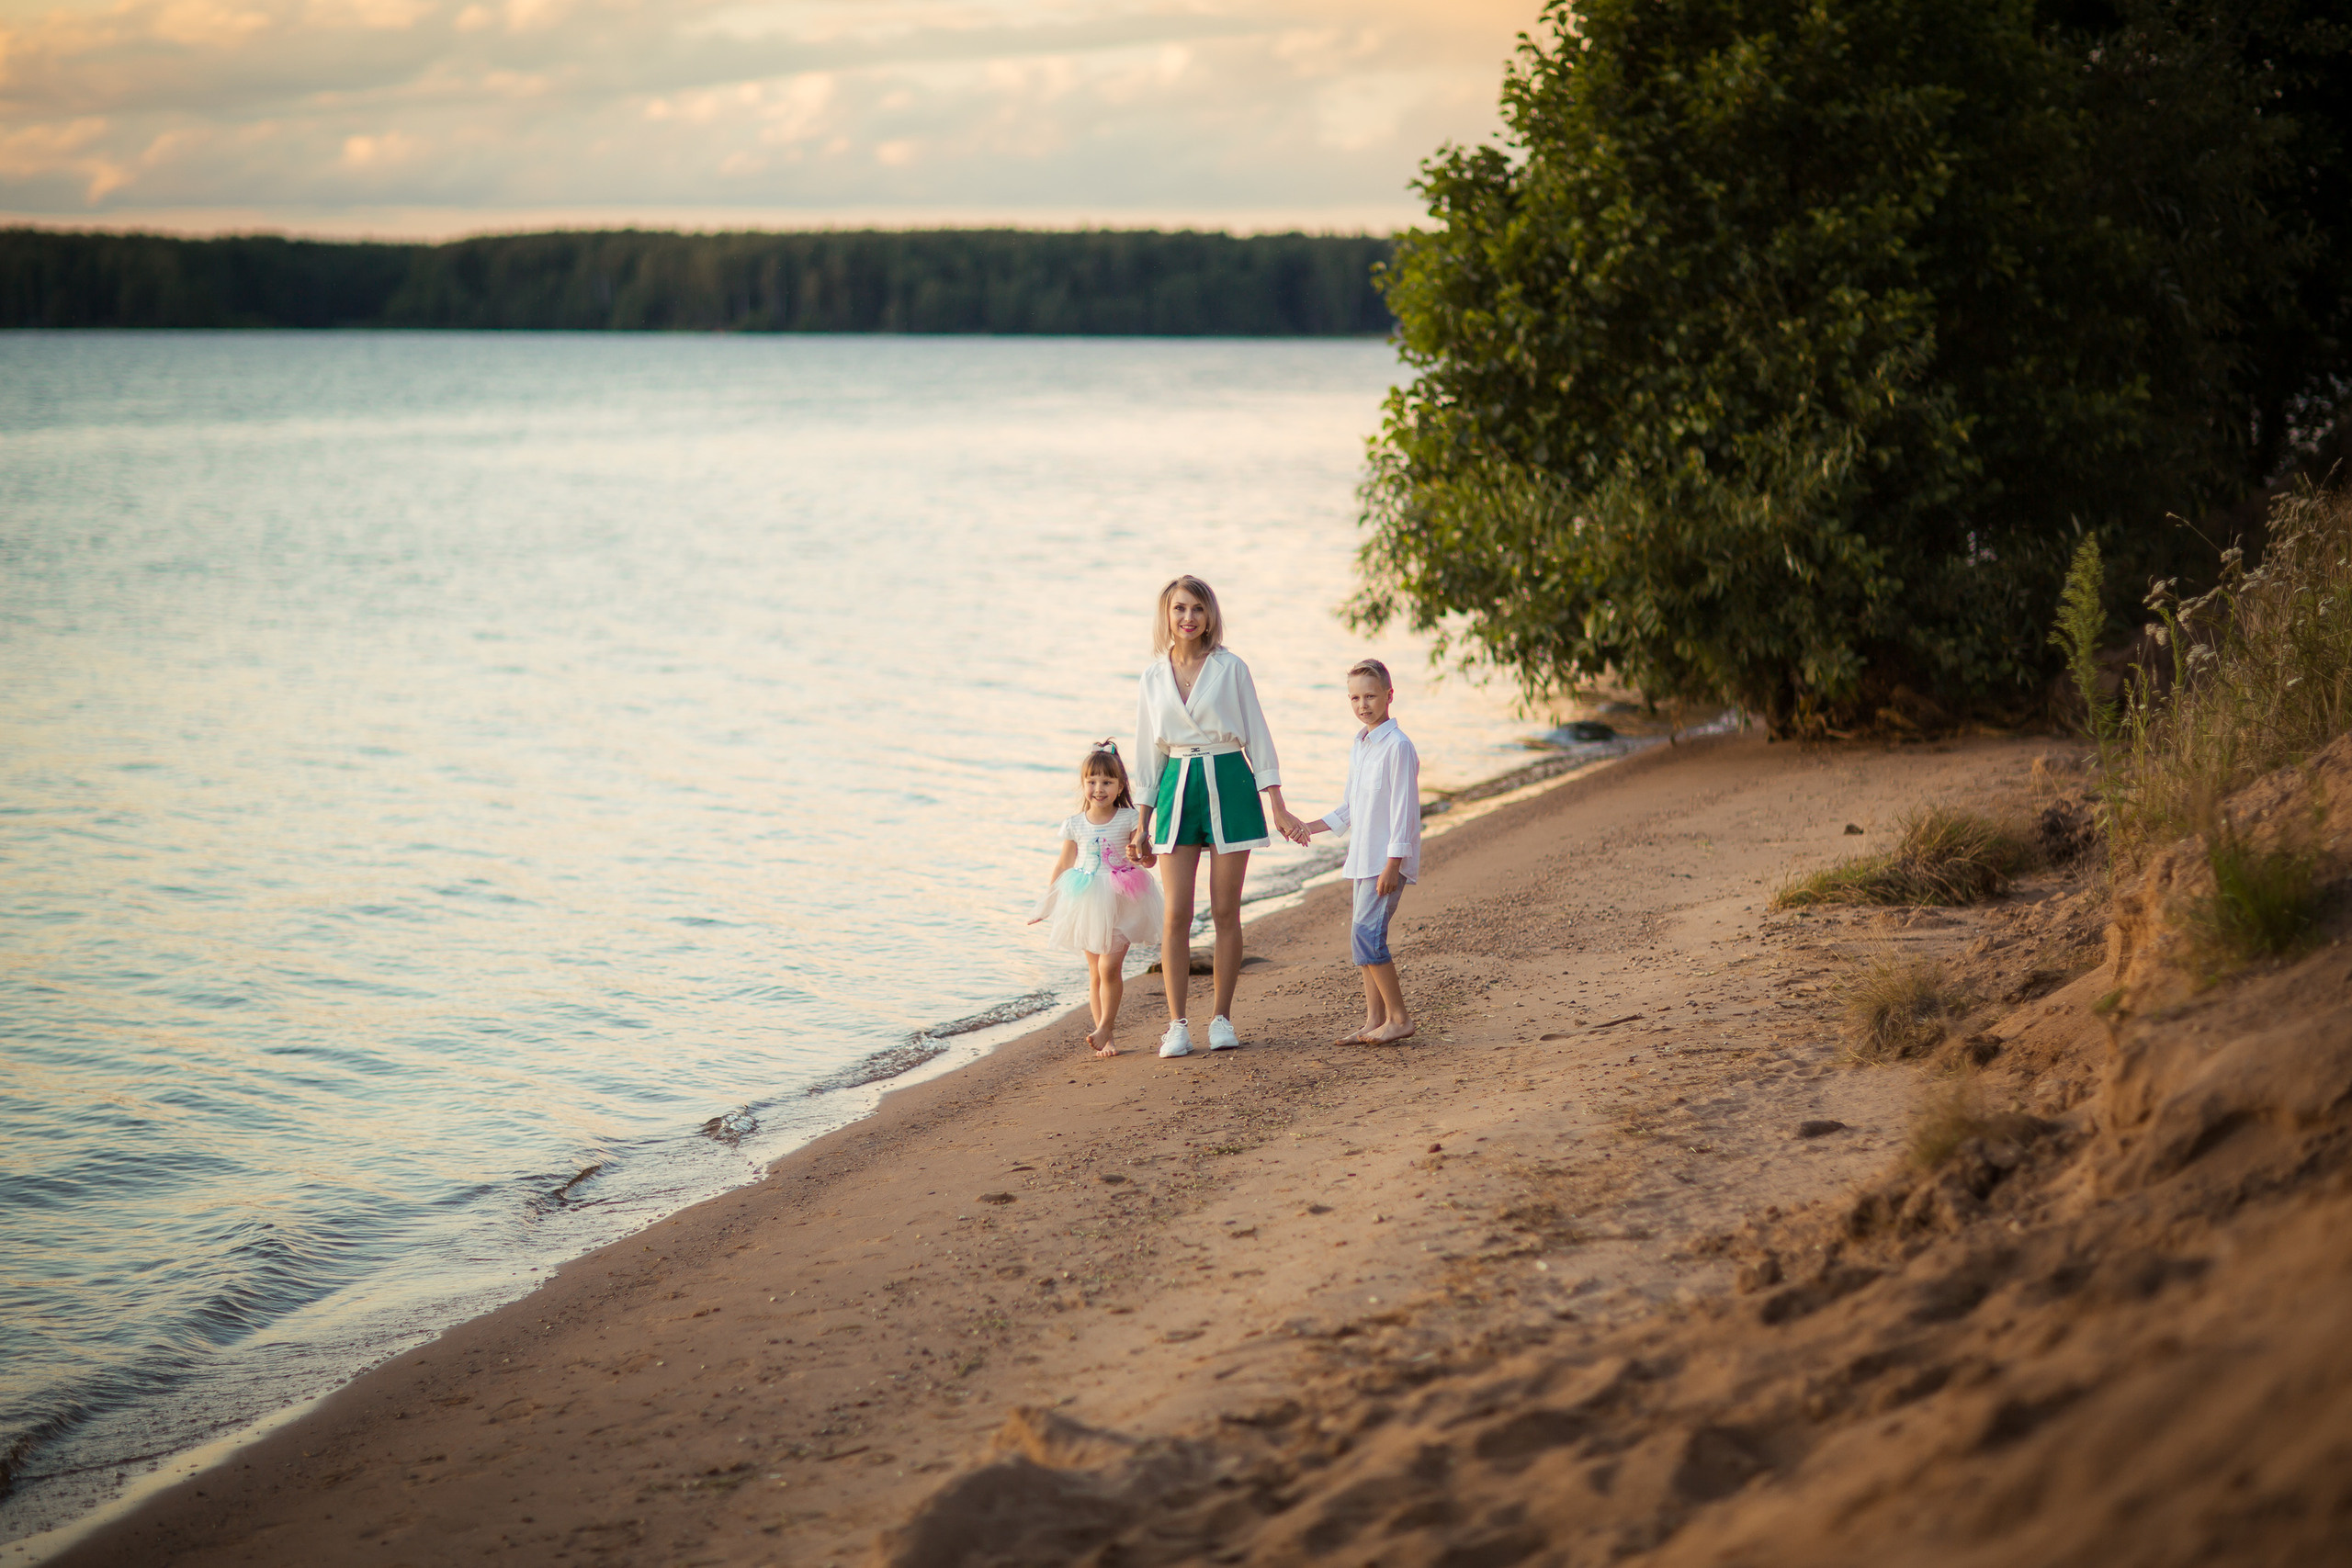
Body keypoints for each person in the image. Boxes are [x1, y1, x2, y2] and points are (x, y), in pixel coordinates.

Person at [1128, 575, 1306, 1059]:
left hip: (1229, 780)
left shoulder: (1231, 668)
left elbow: (1259, 735)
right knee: (1176, 914)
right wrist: (1140, 822)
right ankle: (1177, 1026)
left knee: (1226, 909)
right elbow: (1148, 752)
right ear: (1167, 615)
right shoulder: (1151, 676)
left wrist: (1278, 802)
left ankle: (1222, 1019)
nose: (1188, 618)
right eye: (1180, 609)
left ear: (1210, 616)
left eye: (1197, 609)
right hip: (1176, 787)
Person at [1296, 658, 1420, 1044]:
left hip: (1385, 862)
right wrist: (1310, 827)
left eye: (1370, 696)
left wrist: (1393, 864)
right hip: (1362, 858)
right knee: (1361, 938)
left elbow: (1404, 811)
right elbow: (1352, 805)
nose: (1362, 705)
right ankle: (1374, 1020)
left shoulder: (1397, 747)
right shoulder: (1361, 744)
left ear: (1389, 695)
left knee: (1368, 938)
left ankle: (1399, 1019)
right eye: (1354, 698)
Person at [1030, 742, 1163, 1058]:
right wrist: (1048, 903)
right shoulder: (1075, 824)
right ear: (1083, 784)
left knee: (1110, 967)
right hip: (1086, 898)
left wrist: (1141, 855)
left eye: (1107, 782)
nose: (1098, 789)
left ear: (1120, 786)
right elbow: (1063, 865)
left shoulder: (1131, 819)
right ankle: (1108, 1034)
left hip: (1124, 897)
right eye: (1091, 782)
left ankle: (1104, 1026)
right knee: (1095, 972)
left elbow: (1149, 860)